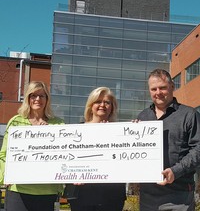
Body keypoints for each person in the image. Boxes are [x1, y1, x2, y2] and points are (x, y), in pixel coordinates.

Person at [137, 69, 200, 211]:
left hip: (179, 196)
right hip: (147, 196)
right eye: (153, 89)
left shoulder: (189, 115)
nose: (158, 92)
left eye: (162, 87)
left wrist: (175, 171)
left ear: (172, 87)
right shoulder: (142, 117)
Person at [0, 81, 65, 211]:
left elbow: (64, 155)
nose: (37, 99)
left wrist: (48, 136)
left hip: (47, 191)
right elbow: (4, 154)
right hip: (18, 190)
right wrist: (5, 175)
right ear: (28, 98)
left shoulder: (58, 124)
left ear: (47, 99)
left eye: (42, 96)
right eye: (33, 95)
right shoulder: (16, 121)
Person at [67, 87, 126, 211]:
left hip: (111, 196)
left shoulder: (122, 132)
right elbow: (66, 160)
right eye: (98, 102)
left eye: (107, 102)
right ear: (91, 105)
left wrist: (136, 130)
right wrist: (72, 174)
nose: (102, 105)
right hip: (82, 194)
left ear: (112, 107)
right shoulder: (75, 131)